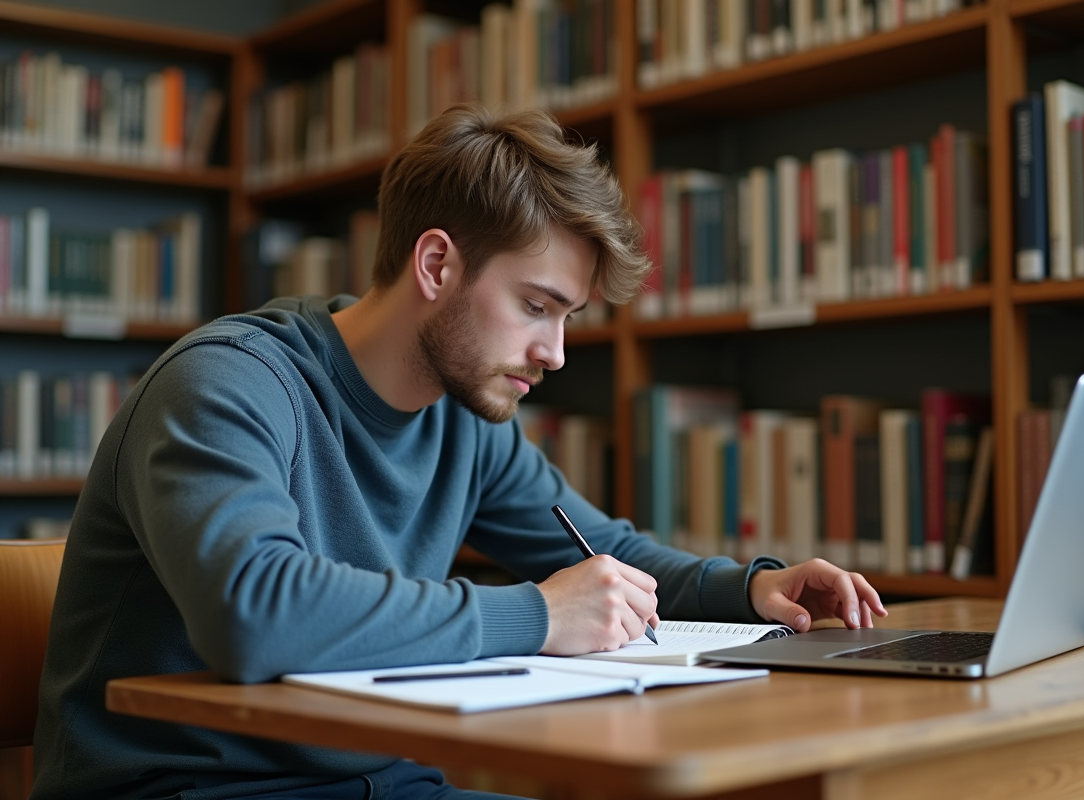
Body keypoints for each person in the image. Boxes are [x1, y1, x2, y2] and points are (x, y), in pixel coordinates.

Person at [32, 103, 887, 800]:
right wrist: (540, 616)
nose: (554, 353)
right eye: (536, 305)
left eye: (567, 318)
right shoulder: (228, 383)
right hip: (184, 790)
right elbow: (254, 613)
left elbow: (605, 556)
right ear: (436, 263)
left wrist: (751, 588)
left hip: (382, 783)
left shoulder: (468, 421)